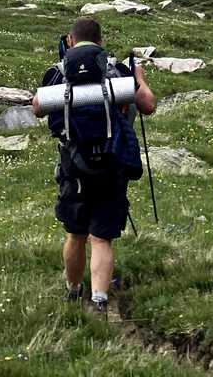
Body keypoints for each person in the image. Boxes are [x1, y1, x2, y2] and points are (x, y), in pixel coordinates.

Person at [32, 16, 156, 314]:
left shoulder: (58, 72)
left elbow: (37, 107)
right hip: (112, 164)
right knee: (101, 238)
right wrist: (139, 77)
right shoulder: (116, 69)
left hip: (74, 166)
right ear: (101, 41)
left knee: (76, 233)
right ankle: (100, 300)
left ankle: (74, 291)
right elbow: (147, 105)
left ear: (70, 40)